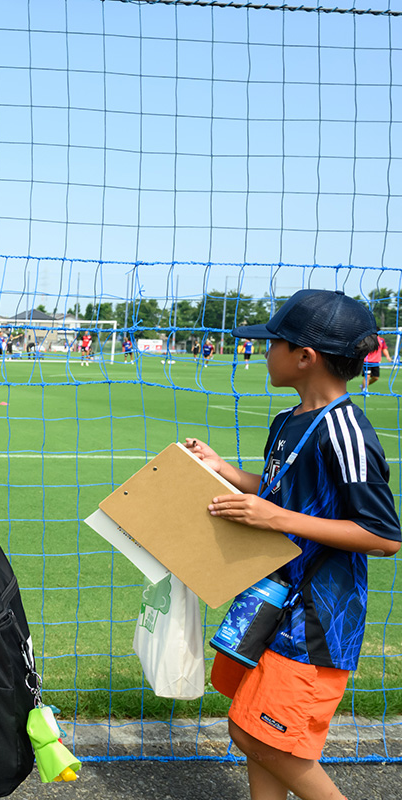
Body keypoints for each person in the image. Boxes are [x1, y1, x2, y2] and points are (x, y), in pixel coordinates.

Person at [184, 289, 400, 800]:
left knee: (266, 741)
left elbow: (384, 535)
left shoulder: (346, 431)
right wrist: (228, 473)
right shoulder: (288, 422)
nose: (264, 351)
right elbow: (282, 490)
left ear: (305, 357)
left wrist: (278, 517)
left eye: (273, 342)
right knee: (256, 733)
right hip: (271, 600)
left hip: (317, 619)